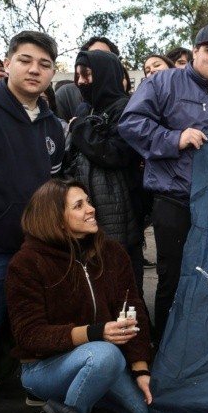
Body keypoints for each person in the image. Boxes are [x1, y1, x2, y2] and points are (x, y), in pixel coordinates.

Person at [118, 24, 208, 342]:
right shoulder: (162, 82)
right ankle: (163, 355)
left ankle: (198, 353)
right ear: (195, 52)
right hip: (173, 199)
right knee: (172, 281)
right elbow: (131, 123)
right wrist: (175, 138)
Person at [0, 30, 63, 413]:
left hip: (35, 249)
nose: (34, 70)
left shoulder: (50, 123)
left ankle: (36, 393)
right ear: (7, 62)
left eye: (44, 64)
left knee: (32, 328)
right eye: (26, 60)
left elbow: (53, 183)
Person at [5, 178, 153, 413]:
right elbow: (29, 335)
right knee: (103, 355)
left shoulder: (112, 252)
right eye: (79, 205)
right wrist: (94, 333)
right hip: (45, 367)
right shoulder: (27, 263)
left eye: (89, 201)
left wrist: (140, 369)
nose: (91, 208)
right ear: (57, 219)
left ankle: (92, 394)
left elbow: (133, 310)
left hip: (107, 363)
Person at [67, 50, 145, 306]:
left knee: (124, 283)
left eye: (87, 74)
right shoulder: (84, 108)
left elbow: (116, 154)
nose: (80, 81)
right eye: (78, 74)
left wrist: (79, 127)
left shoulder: (126, 108)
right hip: (86, 208)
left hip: (121, 212)